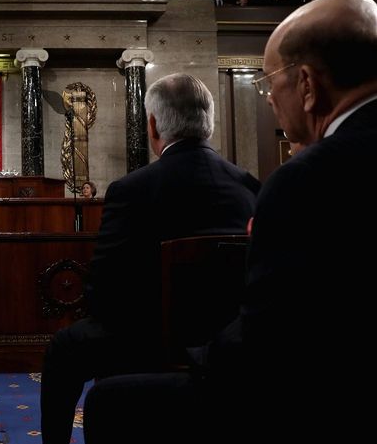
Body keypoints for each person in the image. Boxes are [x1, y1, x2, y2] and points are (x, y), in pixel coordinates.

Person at [40, 73, 260, 444]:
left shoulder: (132, 189)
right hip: (223, 342)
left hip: (144, 339)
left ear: (154, 125)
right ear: (209, 121)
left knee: (63, 349)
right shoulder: (248, 186)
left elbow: (103, 292)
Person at [202, 0, 377, 441]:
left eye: (269, 81)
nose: (267, 98)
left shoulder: (308, 179)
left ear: (306, 85)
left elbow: (266, 349)